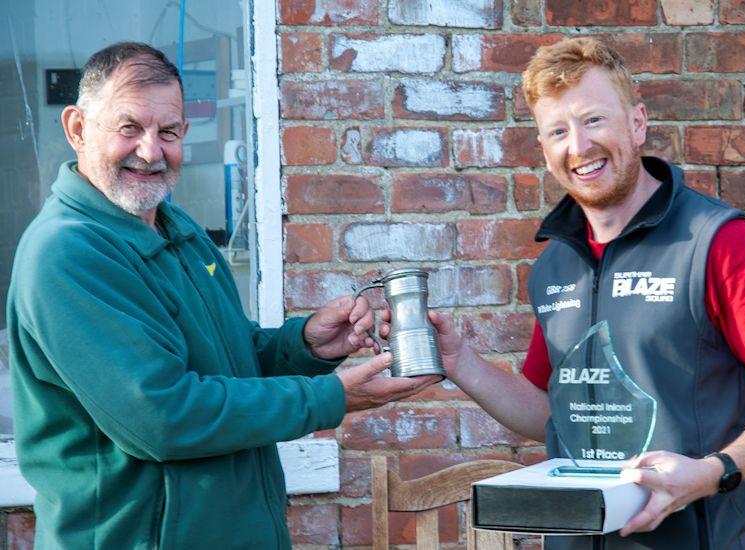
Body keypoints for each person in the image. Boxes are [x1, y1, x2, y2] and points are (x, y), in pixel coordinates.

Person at [7, 42, 437, 549]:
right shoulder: (68, 252)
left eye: (167, 132)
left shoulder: (175, 226)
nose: (150, 151)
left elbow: (225, 362)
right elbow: (164, 417)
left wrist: (306, 346)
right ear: (78, 128)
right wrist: (330, 397)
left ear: (184, 134)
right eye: (129, 128)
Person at [428, 37, 745, 549]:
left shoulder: (722, 243)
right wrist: (462, 362)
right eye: (558, 130)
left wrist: (713, 472)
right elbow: (553, 414)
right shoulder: (555, 265)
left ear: (637, 123)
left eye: (593, 120)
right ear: (543, 148)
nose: (577, 146)